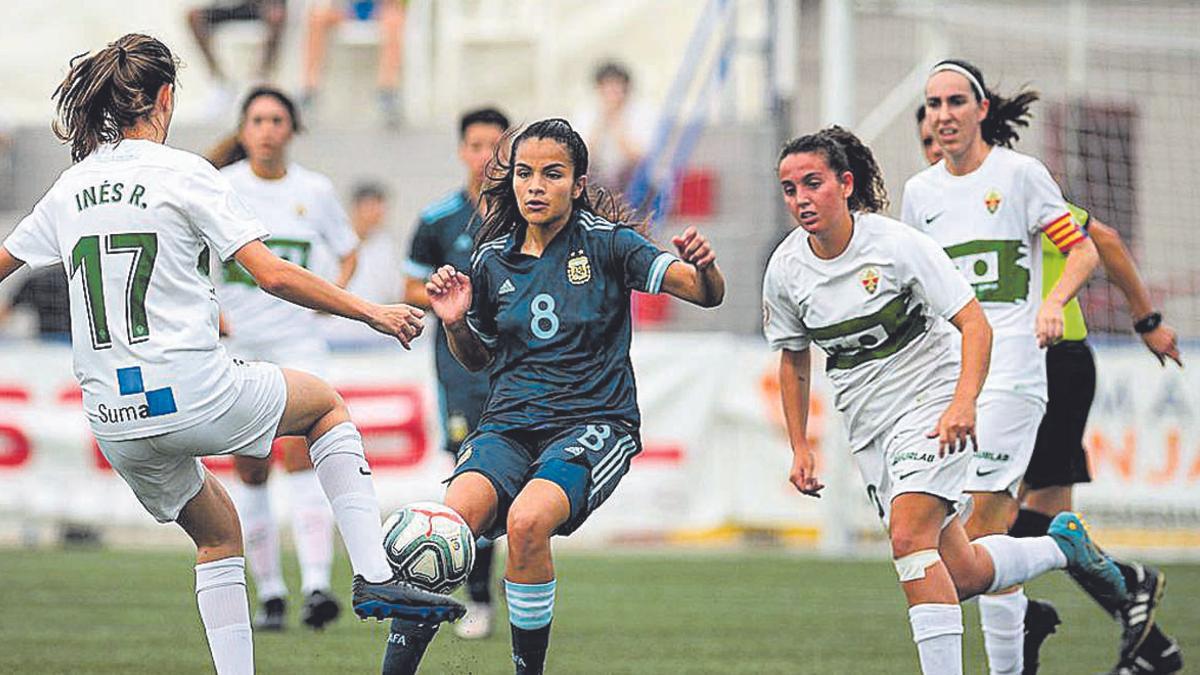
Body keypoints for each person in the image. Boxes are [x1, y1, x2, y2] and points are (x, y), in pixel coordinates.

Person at [1, 33, 462, 674]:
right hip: (192, 387)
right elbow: (271, 274)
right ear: (165, 98)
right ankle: (374, 574)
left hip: (113, 419)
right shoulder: (188, 172)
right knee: (325, 405)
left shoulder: (71, 185)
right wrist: (374, 311)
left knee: (218, 535)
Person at [765, 125, 1131, 675]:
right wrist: (799, 445)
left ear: (844, 184)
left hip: (933, 402)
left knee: (909, 537)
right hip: (870, 426)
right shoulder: (786, 270)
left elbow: (973, 323)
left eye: (812, 184)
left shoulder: (895, 245)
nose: (801, 200)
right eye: (790, 189)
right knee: (961, 572)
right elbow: (794, 359)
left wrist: (963, 402)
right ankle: (1061, 547)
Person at [380, 118, 725, 674]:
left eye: (552, 173)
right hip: (509, 425)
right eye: (524, 173)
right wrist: (454, 323)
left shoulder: (611, 245)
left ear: (579, 183)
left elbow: (704, 294)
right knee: (442, 528)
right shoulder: (492, 259)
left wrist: (705, 270)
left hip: (593, 425)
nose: (535, 185)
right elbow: (479, 358)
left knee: (527, 522)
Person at [914, 100, 1184, 675]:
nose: (937, 152)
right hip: (996, 371)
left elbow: (1101, 239)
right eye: (927, 145)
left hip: (1049, 361)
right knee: (1033, 522)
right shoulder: (936, 203)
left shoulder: (1012, 186)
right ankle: (1151, 643)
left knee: (992, 527)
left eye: (942, 137)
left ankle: (1124, 591)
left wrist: (1146, 320)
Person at [207, 87, 360, 632]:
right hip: (239, 349)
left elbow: (347, 248)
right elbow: (193, 258)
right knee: (251, 471)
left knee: (302, 455)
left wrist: (328, 304)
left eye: (278, 119)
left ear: (293, 129)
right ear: (244, 130)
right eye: (258, 119)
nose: (268, 129)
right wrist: (213, 312)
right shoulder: (220, 188)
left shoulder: (313, 190)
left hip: (298, 346)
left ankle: (316, 585)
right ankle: (270, 591)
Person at [403, 106, 510, 640]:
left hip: (521, 369)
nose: (485, 156)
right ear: (461, 150)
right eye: (475, 145)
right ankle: (480, 596)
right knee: (475, 475)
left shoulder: (528, 217)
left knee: (525, 481)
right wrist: (447, 295)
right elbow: (409, 287)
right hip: (462, 371)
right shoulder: (437, 219)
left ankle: (517, 574)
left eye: (495, 146)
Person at [302, 0, 406, 128]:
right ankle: (310, 91)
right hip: (346, 11)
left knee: (394, 20)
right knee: (316, 18)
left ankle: (387, 92)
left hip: (380, 11)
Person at [185, 1, 287, 119]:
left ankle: (261, 78)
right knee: (194, 17)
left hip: (257, 7)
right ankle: (220, 82)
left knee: (275, 15)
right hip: (231, 6)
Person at [572, 61, 655, 192]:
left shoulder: (641, 113)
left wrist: (617, 124)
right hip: (597, 175)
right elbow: (581, 155)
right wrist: (600, 123)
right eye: (606, 87)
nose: (611, 93)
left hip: (630, 178)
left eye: (616, 87)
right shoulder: (587, 113)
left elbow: (640, 157)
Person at [0, 267, 71, 342]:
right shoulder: (39, 281)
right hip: (48, 342)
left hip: (67, 340)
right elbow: (7, 310)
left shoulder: (41, 279)